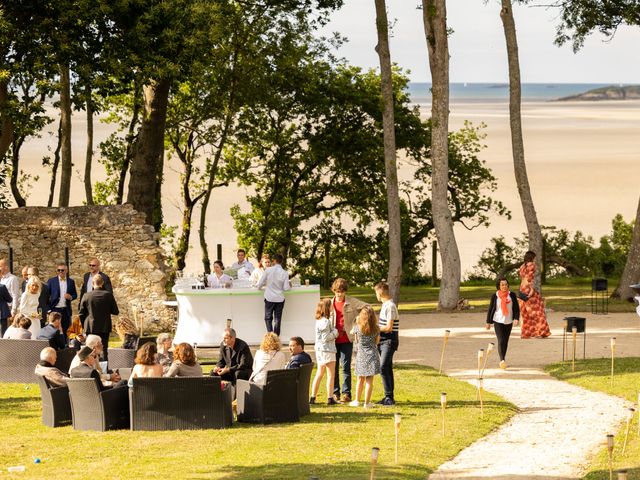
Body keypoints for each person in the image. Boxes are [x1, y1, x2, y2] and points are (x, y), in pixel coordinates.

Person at [330, 278, 367, 404]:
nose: (339, 294)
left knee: (345, 366)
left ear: (345, 291)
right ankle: (335, 393)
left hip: (347, 339)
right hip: (333, 340)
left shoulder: (351, 301)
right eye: (337, 291)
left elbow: (367, 307)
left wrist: (358, 320)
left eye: (341, 291)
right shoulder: (330, 303)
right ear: (333, 291)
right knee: (333, 367)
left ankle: (346, 393)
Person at [78, 275, 119, 360]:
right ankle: (105, 369)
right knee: (104, 348)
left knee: (90, 349)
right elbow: (115, 311)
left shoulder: (87, 295)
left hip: (90, 326)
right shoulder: (108, 295)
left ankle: (90, 368)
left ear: (93, 283)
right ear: (102, 283)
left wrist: (83, 326)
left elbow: (81, 313)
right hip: (104, 326)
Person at [348, 306, 380, 408]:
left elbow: (354, 337)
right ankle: (367, 403)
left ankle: (357, 400)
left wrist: (357, 322)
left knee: (360, 379)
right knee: (369, 381)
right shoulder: (376, 328)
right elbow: (377, 342)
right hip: (372, 355)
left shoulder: (358, 328)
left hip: (361, 355)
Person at [486, 277, 521, 369]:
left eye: (506, 284)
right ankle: (502, 360)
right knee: (501, 340)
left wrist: (516, 318)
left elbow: (516, 308)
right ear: (499, 286)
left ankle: (503, 359)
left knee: (505, 341)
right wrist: (488, 322)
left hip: (508, 320)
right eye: (502, 285)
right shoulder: (495, 296)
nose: (504, 286)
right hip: (498, 320)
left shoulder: (512, 295)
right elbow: (491, 309)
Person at [374, 281, 399, 406]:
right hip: (382, 341)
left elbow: (389, 327)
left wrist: (375, 328)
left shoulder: (390, 306)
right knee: (387, 367)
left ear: (380, 292)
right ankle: (388, 397)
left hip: (389, 340)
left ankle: (389, 396)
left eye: (376, 293)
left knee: (383, 367)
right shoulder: (385, 305)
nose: (376, 296)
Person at [309, 299, 338, 405]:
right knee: (330, 375)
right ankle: (330, 398)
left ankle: (313, 397)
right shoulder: (326, 321)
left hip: (319, 350)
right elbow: (326, 337)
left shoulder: (319, 320)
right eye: (330, 306)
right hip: (328, 350)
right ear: (327, 308)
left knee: (319, 373)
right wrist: (335, 332)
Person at [518, 251, 551, 339]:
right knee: (538, 312)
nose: (536, 260)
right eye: (535, 258)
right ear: (532, 257)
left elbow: (523, 279)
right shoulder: (531, 265)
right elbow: (529, 280)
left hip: (521, 291)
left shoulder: (522, 266)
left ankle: (527, 333)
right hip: (528, 290)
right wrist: (532, 291)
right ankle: (541, 332)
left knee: (525, 313)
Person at [256, 253, 290, 335]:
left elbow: (259, 284)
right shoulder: (285, 273)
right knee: (277, 319)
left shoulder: (268, 270)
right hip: (280, 299)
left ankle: (270, 336)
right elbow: (286, 288)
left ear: (274, 261)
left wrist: (259, 287)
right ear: (281, 262)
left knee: (268, 318)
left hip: (269, 298)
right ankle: (276, 338)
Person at [47, 262, 77, 336]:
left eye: (62, 270)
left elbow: (75, 294)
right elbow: (46, 296)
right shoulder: (51, 281)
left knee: (66, 329)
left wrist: (71, 297)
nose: (60, 272)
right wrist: (48, 309)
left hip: (65, 309)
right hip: (55, 309)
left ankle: (65, 346)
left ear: (66, 271)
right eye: (59, 270)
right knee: (54, 329)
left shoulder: (71, 281)